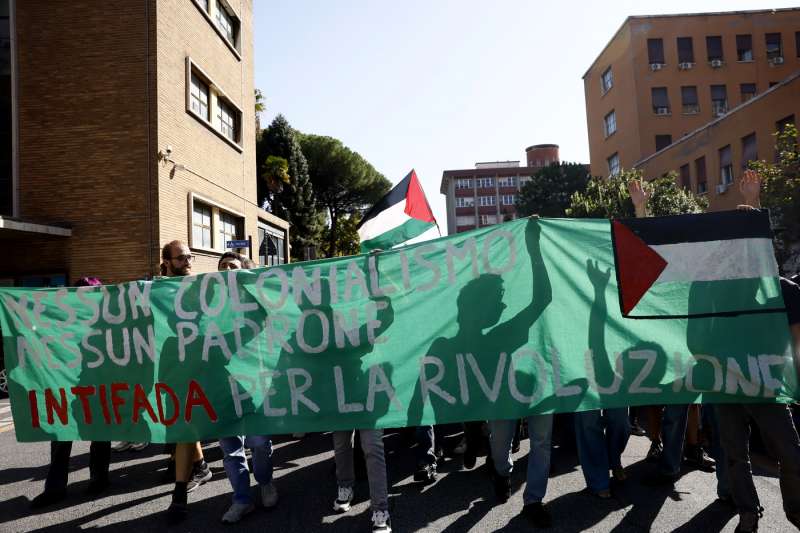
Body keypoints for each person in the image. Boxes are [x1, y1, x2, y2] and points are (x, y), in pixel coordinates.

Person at [713, 170, 800, 532]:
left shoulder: (782, 292)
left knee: (793, 456)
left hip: (768, 386)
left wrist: (793, 383)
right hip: (728, 385)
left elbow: (796, 342)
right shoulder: (718, 291)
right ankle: (748, 512)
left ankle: (796, 513)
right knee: (735, 455)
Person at [30, 277, 113, 508]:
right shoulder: (62, 321)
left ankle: (99, 478)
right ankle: (55, 488)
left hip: (96, 386)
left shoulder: (107, 322)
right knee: (61, 434)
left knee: (100, 432)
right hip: (65, 386)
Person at [215, 252, 279, 524]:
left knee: (259, 443)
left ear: (243, 271)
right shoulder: (207, 303)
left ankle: (265, 482)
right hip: (219, 383)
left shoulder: (257, 300)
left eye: (232, 266)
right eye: (222, 267)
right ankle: (241, 499)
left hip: (254, 381)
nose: (227, 270)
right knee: (230, 450)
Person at [161, 241, 213, 523]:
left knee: (184, 424)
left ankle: (179, 494)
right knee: (182, 423)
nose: (188, 261)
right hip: (173, 365)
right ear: (167, 262)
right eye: (181, 258)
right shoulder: (157, 291)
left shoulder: (202, 288)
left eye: (189, 256)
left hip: (202, 363)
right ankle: (202, 466)